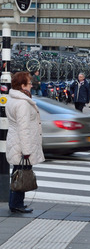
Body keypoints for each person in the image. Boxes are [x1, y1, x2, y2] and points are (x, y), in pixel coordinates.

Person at [6, 72, 45, 213]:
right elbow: (24, 127)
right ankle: (16, 204)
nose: (31, 85)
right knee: (21, 174)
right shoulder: (22, 103)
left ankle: (16, 202)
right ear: (22, 86)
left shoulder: (13, 99)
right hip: (21, 144)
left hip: (16, 141)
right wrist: (27, 151)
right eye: (29, 83)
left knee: (18, 173)